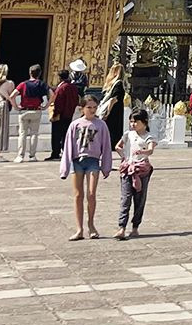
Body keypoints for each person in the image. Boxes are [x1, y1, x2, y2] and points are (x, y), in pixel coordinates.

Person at [60, 94, 112, 240]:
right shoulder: (75, 125)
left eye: (94, 107)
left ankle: (91, 224)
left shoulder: (101, 125)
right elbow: (68, 145)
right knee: (78, 195)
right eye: (89, 107)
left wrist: (106, 166)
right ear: (82, 108)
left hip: (92, 161)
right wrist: (65, 168)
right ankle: (79, 228)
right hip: (77, 161)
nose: (92, 110)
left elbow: (106, 146)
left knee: (91, 194)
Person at [115, 108, 157, 241]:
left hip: (141, 170)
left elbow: (150, 150)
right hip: (128, 169)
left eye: (136, 122)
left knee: (140, 199)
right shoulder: (128, 134)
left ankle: (135, 226)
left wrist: (143, 152)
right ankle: (121, 227)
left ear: (144, 122)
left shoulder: (148, 137)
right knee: (125, 198)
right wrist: (124, 156)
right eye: (131, 121)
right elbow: (118, 146)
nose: (133, 124)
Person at [12, 65, 49, 163]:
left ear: (30, 73)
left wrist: (15, 106)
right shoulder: (41, 84)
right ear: (39, 74)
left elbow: (12, 96)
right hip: (36, 110)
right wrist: (46, 106)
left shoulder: (23, 84)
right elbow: (53, 94)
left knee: (22, 134)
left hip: (24, 110)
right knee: (34, 134)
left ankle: (20, 155)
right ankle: (32, 156)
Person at [48, 69, 81, 161]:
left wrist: (55, 113)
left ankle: (55, 153)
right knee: (66, 134)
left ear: (59, 78)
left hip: (60, 114)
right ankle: (66, 151)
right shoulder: (73, 87)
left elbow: (58, 102)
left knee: (56, 135)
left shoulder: (62, 88)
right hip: (69, 114)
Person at [97, 64, 128, 147]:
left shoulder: (115, 84)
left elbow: (113, 99)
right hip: (115, 110)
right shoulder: (119, 84)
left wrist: (108, 112)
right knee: (113, 127)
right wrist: (108, 111)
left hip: (113, 109)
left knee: (111, 127)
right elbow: (114, 99)